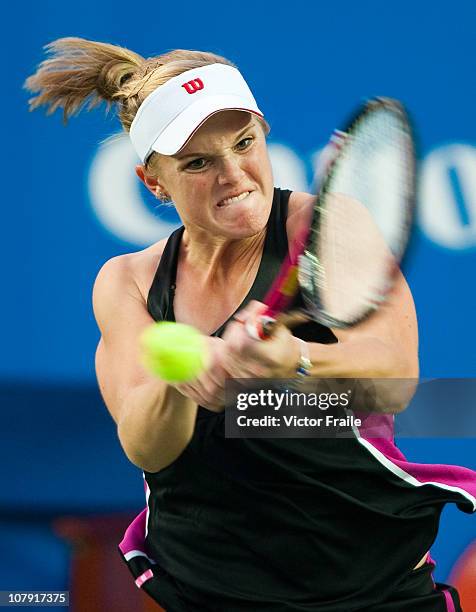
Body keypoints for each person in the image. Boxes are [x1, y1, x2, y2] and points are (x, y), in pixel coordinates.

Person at [25, 38, 475, 612]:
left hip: (374, 591)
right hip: (210, 594)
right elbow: (148, 448)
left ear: (265, 136)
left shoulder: (326, 226)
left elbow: (395, 377)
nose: (234, 175)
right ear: (152, 182)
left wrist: (294, 360)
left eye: (244, 144)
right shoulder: (127, 282)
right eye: (198, 162)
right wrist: (184, 382)